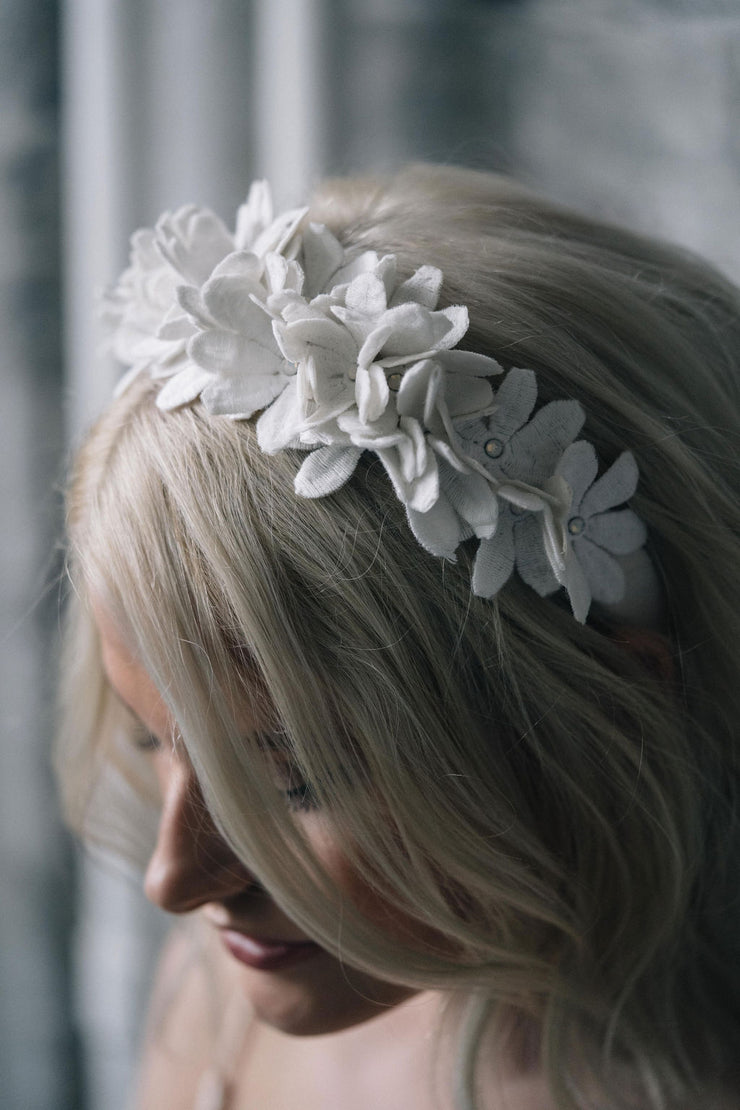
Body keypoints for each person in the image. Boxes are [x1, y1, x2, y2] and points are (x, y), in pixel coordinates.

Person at [57, 164, 740, 1110]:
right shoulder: (217, 994)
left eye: (293, 780)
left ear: (607, 723)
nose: (174, 881)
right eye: (151, 741)